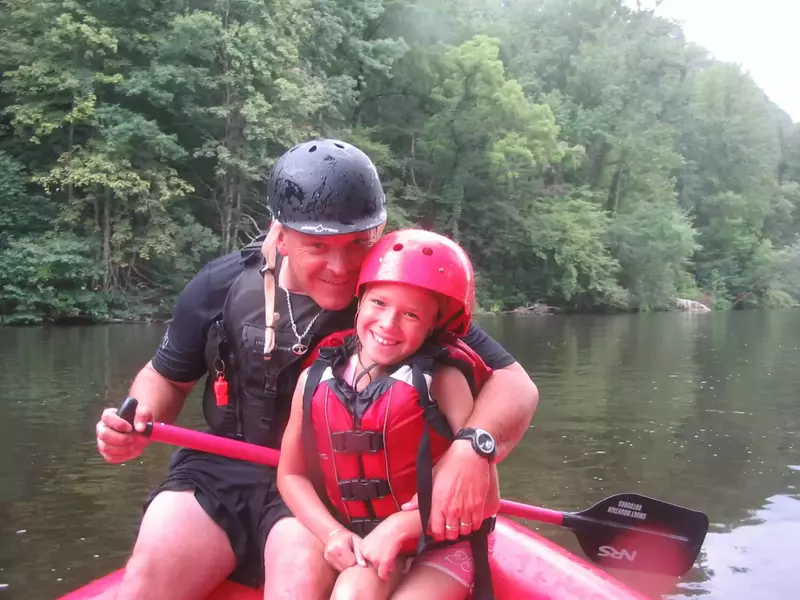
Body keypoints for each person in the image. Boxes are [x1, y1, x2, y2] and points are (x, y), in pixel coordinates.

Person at [94, 139, 539, 600]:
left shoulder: (395, 297)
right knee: (147, 580)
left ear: (380, 229)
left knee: (299, 582)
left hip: (324, 492)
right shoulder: (220, 285)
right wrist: (135, 417)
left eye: (357, 244)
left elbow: (514, 385)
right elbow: (165, 377)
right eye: (318, 246)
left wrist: (471, 449)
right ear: (281, 235)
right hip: (218, 472)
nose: (342, 266)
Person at [278, 228, 501, 600]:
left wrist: (401, 525)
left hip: (446, 545)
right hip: (373, 541)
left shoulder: (444, 381)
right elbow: (291, 474)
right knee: (350, 594)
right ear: (360, 300)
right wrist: (332, 533)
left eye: (411, 314)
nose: (388, 324)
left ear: (432, 325)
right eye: (379, 303)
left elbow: (489, 497)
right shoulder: (314, 379)